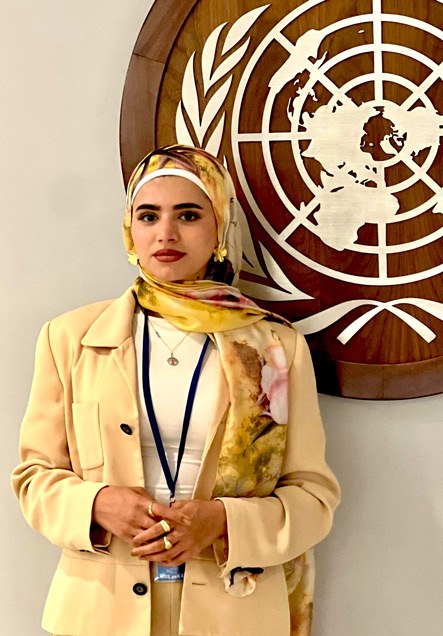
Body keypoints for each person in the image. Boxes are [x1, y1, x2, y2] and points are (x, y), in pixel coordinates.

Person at [11, 145, 340, 636]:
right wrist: (98, 505)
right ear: (131, 232)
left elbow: (313, 497)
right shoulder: (70, 339)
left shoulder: (273, 349)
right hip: (100, 611)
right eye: (149, 216)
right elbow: (34, 478)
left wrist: (222, 521)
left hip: (233, 610)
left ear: (219, 228)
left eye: (188, 214)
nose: (166, 233)